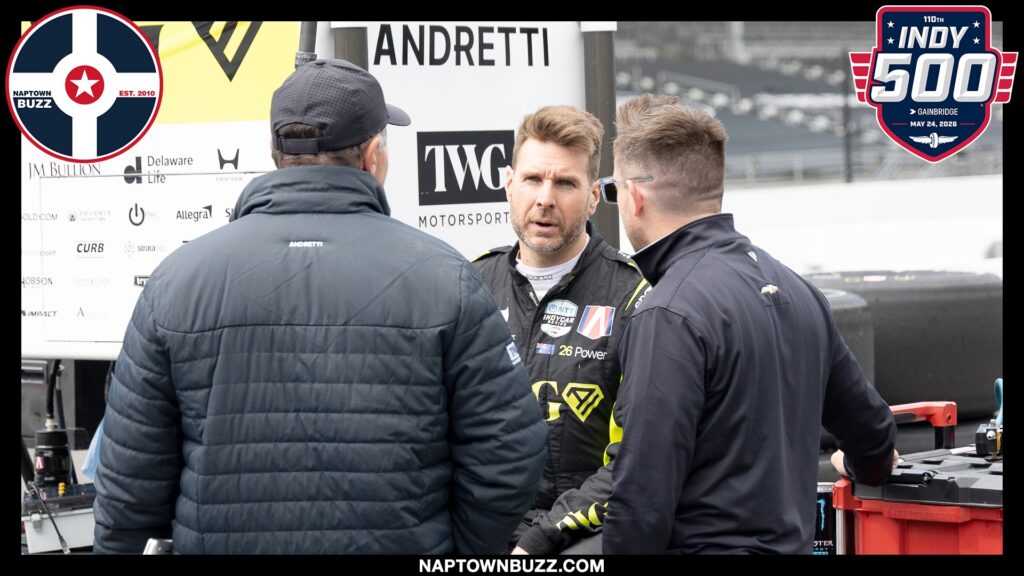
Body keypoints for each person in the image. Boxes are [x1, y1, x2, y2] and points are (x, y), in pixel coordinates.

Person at [92, 58, 547, 555]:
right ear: (374, 155)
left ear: (273, 152)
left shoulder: (175, 282)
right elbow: (509, 455)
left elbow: (130, 484)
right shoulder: (447, 277)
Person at [601, 94, 897, 554]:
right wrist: (862, 466)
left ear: (634, 196)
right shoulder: (799, 290)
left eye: (612, 190)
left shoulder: (668, 311)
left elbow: (641, 502)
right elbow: (875, 436)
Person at [473, 105, 648, 555]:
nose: (545, 198)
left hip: (578, 542)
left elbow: (637, 458)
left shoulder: (636, 296)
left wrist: (543, 538)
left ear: (593, 196)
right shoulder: (470, 284)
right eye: (533, 179)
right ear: (509, 183)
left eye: (565, 183)